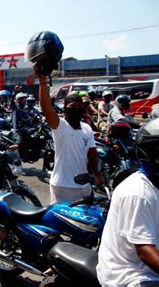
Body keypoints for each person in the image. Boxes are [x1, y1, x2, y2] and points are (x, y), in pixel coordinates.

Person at [97, 116, 159, 286]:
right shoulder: (137, 193)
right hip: (128, 274)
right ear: (157, 154)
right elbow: (145, 251)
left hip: (156, 257)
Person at [27, 31, 103, 204]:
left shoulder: (87, 128)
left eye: (79, 107)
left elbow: (92, 155)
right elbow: (47, 109)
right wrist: (42, 80)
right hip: (63, 187)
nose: (76, 110)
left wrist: (98, 174)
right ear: (65, 109)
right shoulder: (60, 126)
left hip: (85, 186)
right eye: (71, 107)